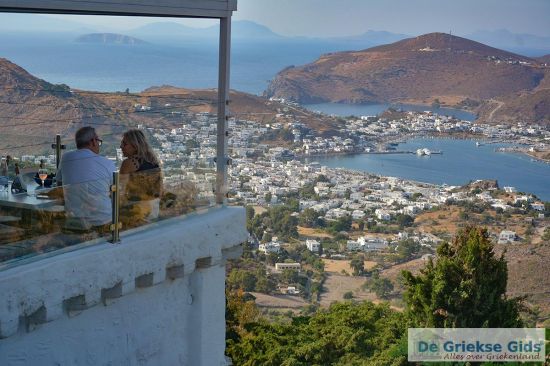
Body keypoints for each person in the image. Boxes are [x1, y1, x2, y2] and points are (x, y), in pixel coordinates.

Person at [57, 126, 115, 230]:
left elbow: (59, 184)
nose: (98, 145)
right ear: (93, 141)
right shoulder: (108, 163)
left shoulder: (66, 158)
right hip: (102, 221)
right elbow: (115, 191)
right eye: (98, 141)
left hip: (74, 220)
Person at [119, 129, 162, 223]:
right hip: (153, 208)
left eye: (124, 144)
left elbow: (120, 191)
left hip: (136, 210)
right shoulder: (153, 161)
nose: (121, 146)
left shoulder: (129, 163)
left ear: (135, 146)